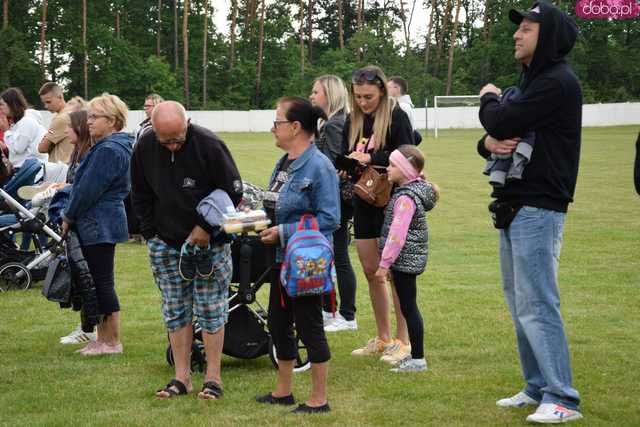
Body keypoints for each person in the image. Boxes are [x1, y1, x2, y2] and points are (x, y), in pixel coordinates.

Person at [476, 1, 583, 423]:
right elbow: (494, 137)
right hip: (516, 205)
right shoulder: (531, 84)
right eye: (517, 27)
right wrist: (487, 141)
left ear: (548, 37)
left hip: (540, 206)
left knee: (538, 304)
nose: (517, 35)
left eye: (527, 28)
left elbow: (500, 121)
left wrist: (487, 99)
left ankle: (563, 398)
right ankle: (537, 387)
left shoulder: (556, 82)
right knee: (520, 302)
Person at [131, 101, 243, 400]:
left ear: (187, 124)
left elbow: (233, 190)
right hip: (164, 243)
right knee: (174, 308)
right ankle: (181, 377)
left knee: (210, 308)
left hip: (210, 244)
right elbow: (139, 194)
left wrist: (206, 228)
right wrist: (151, 234)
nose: (171, 146)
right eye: (164, 140)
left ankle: (213, 377)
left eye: (177, 140)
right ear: (152, 130)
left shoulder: (209, 144)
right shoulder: (144, 147)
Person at [257, 96, 339, 414]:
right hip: (281, 261)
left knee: (309, 327)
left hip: (306, 264)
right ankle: (283, 391)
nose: (273, 128)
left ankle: (319, 399)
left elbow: (330, 218)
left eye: (277, 122)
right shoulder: (285, 163)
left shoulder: (319, 167)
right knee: (278, 325)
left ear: (295, 127)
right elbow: (275, 204)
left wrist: (284, 232)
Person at [341, 65, 415, 364]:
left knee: (395, 273)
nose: (363, 102)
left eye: (368, 96)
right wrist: (347, 165)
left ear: (382, 91)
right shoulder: (353, 119)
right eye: (358, 96)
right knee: (372, 271)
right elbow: (350, 153)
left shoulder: (397, 117)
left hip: (391, 202)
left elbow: (408, 156)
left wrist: (372, 157)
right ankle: (384, 338)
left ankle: (403, 340)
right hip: (363, 200)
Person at [61, 93, 133, 356]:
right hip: (100, 221)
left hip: (98, 222)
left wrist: (68, 217)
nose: (88, 121)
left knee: (101, 282)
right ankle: (102, 338)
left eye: (94, 117)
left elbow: (86, 191)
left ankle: (111, 342)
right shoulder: (110, 147)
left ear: (112, 121)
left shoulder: (109, 150)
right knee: (97, 281)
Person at [375, 145, 438, 373]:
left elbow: (397, 235)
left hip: (405, 261)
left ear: (405, 169)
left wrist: (384, 264)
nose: (388, 169)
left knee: (409, 308)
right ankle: (415, 355)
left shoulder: (405, 199)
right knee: (408, 307)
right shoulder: (407, 193)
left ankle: (418, 359)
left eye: (392, 165)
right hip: (407, 260)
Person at [309, 74, 358, 332]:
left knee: (338, 255)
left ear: (328, 94)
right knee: (333, 255)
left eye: (315, 92)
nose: (312, 96)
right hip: (337, 197)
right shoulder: (333, 122)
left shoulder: (334, 124)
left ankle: (347, 315)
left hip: (337, 198)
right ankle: (332, 310)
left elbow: (336, 163)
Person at [0, 87, 48, 169]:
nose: (0, 108)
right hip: (23, 169)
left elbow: (18, 149)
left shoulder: (27, 121)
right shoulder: (18, 123)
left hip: (30, 172)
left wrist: (6, 131)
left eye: (2, 104)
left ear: (12, 104)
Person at [37, 82, 74, 164]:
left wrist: (46, 137)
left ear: (60, 97)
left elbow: (42, 148)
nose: (46, 106)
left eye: (48, 102)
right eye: (44, 103)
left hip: (59, 168)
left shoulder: (61, 119)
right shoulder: (72, 112)